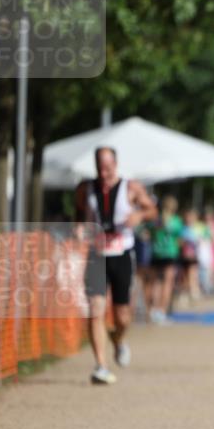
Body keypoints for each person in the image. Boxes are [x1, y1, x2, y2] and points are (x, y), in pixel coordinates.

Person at [76, 146, 157, 384]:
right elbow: (79, 212)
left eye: (108, 166)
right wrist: (79, 227)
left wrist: (139, 216)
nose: (104, 172)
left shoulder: (131, 187)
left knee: (122, 316)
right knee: (95, 310)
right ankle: (100, 365)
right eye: (100, 167)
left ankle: (118, 339)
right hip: (96, 254)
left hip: (121, 253)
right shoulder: (85, 188)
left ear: (116, 164)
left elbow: (152, 210)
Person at [148, 195, 183, 324]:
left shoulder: (155, 220)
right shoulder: (176, 221)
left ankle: (153, 309)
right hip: (170, 254)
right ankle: (162, 311)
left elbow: (149, 234)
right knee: (167, 284)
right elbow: (180, 239)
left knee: (156, 283)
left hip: (156, 253)